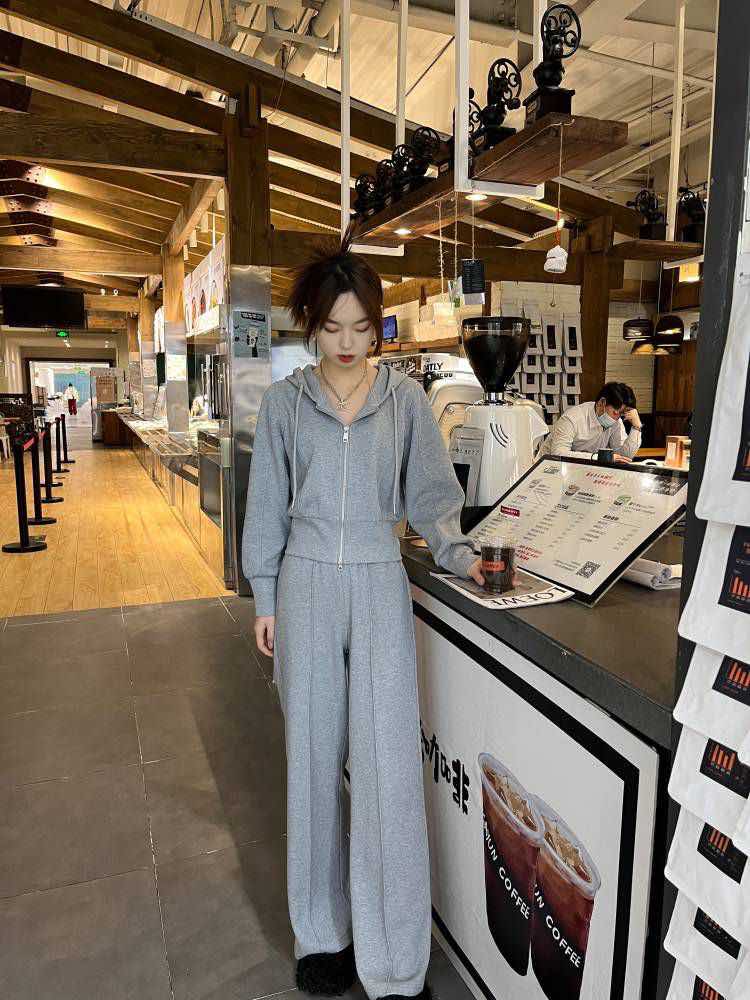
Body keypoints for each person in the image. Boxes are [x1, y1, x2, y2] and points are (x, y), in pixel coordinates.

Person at [243, 239, 484, 1000]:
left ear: (377, 325)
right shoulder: (285, 405)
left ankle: (395, 961)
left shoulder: (405, 402)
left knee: (387, 770)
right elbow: (265, 505)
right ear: (311, 325)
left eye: (361, 327)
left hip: (380, 583)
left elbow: (433, 499)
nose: (347, 343)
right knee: (312, 762)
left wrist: (459, 553)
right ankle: (321, 935)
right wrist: (265, 596)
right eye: (332, 327)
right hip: (306, 585)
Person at [540, 381, 642, 462]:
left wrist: (636, 427)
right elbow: (558, 453)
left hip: (581, 470)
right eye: (615, 412)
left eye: (621, 414)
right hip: (547, 468)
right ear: (601, 403)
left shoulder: (616, 421)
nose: (617, 418)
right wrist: (597, 457)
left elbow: (624, 457)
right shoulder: (572, 418)